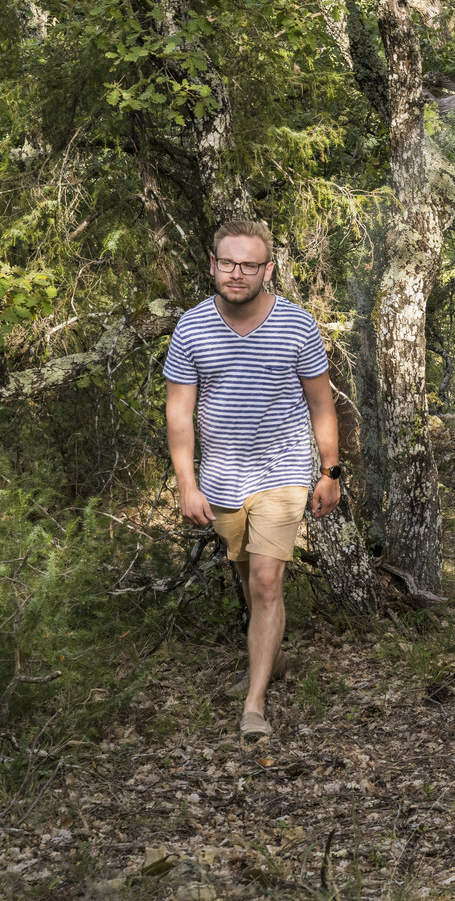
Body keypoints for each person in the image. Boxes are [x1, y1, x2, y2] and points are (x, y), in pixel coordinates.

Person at [165, 219, 342, 742]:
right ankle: (271, 657)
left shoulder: (296, 325)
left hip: (283, 471)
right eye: (227, 262)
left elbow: (320, 401)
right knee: (247, 578)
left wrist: (330, 471)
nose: (236, 273)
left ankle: (255, 702)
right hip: (222, 480)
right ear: (213, 265)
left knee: (267, 581)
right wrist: (187, 483)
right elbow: (179, 414)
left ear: (268, 269)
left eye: (248, 264)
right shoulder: (191, 328)